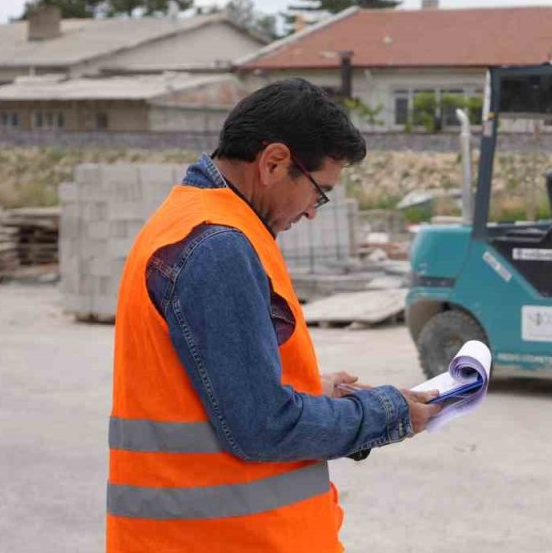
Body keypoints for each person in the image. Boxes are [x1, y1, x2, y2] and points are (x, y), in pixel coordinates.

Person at [106, 79, 439, 552]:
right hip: (225, 540)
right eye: (318, 193)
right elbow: (264, 426)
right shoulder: (217, 246)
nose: (312, 214)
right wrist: (387, 413)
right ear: (274, 163)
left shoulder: (193, 222)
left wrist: (307, 387)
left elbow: (204, 386)